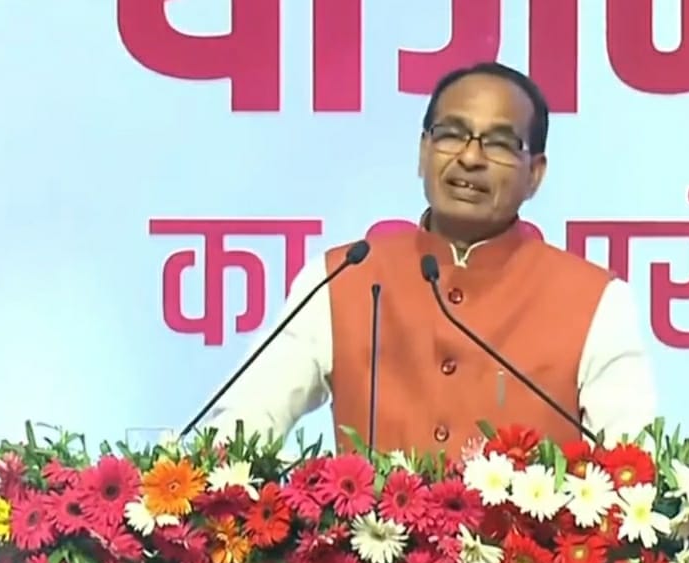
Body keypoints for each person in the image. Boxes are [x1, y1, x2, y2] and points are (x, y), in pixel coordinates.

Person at [203, 62, 656, 456]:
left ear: (534, 174)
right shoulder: (342, 276)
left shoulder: (596, 300)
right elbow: (243, 425)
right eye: (451, 135)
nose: (470, 157)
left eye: (499, 143)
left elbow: (636, 469)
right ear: (423, 152)